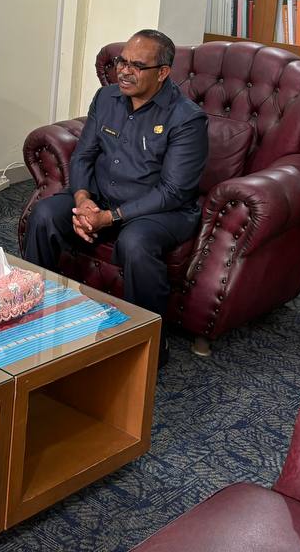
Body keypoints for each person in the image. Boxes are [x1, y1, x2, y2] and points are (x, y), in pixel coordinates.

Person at [23, 30, 208, 364]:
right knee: (45, 214)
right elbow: (83, 155)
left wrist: (108, 218)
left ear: (162, 72)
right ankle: (36, 315)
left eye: (137, 66)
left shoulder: (187, 119)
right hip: (102, 199)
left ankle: (150, 346)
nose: (124, 71)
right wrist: (83, 201)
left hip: (162, 212)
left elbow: (173, 191)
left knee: (135, 243)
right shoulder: (106, 98)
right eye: (122, 61)